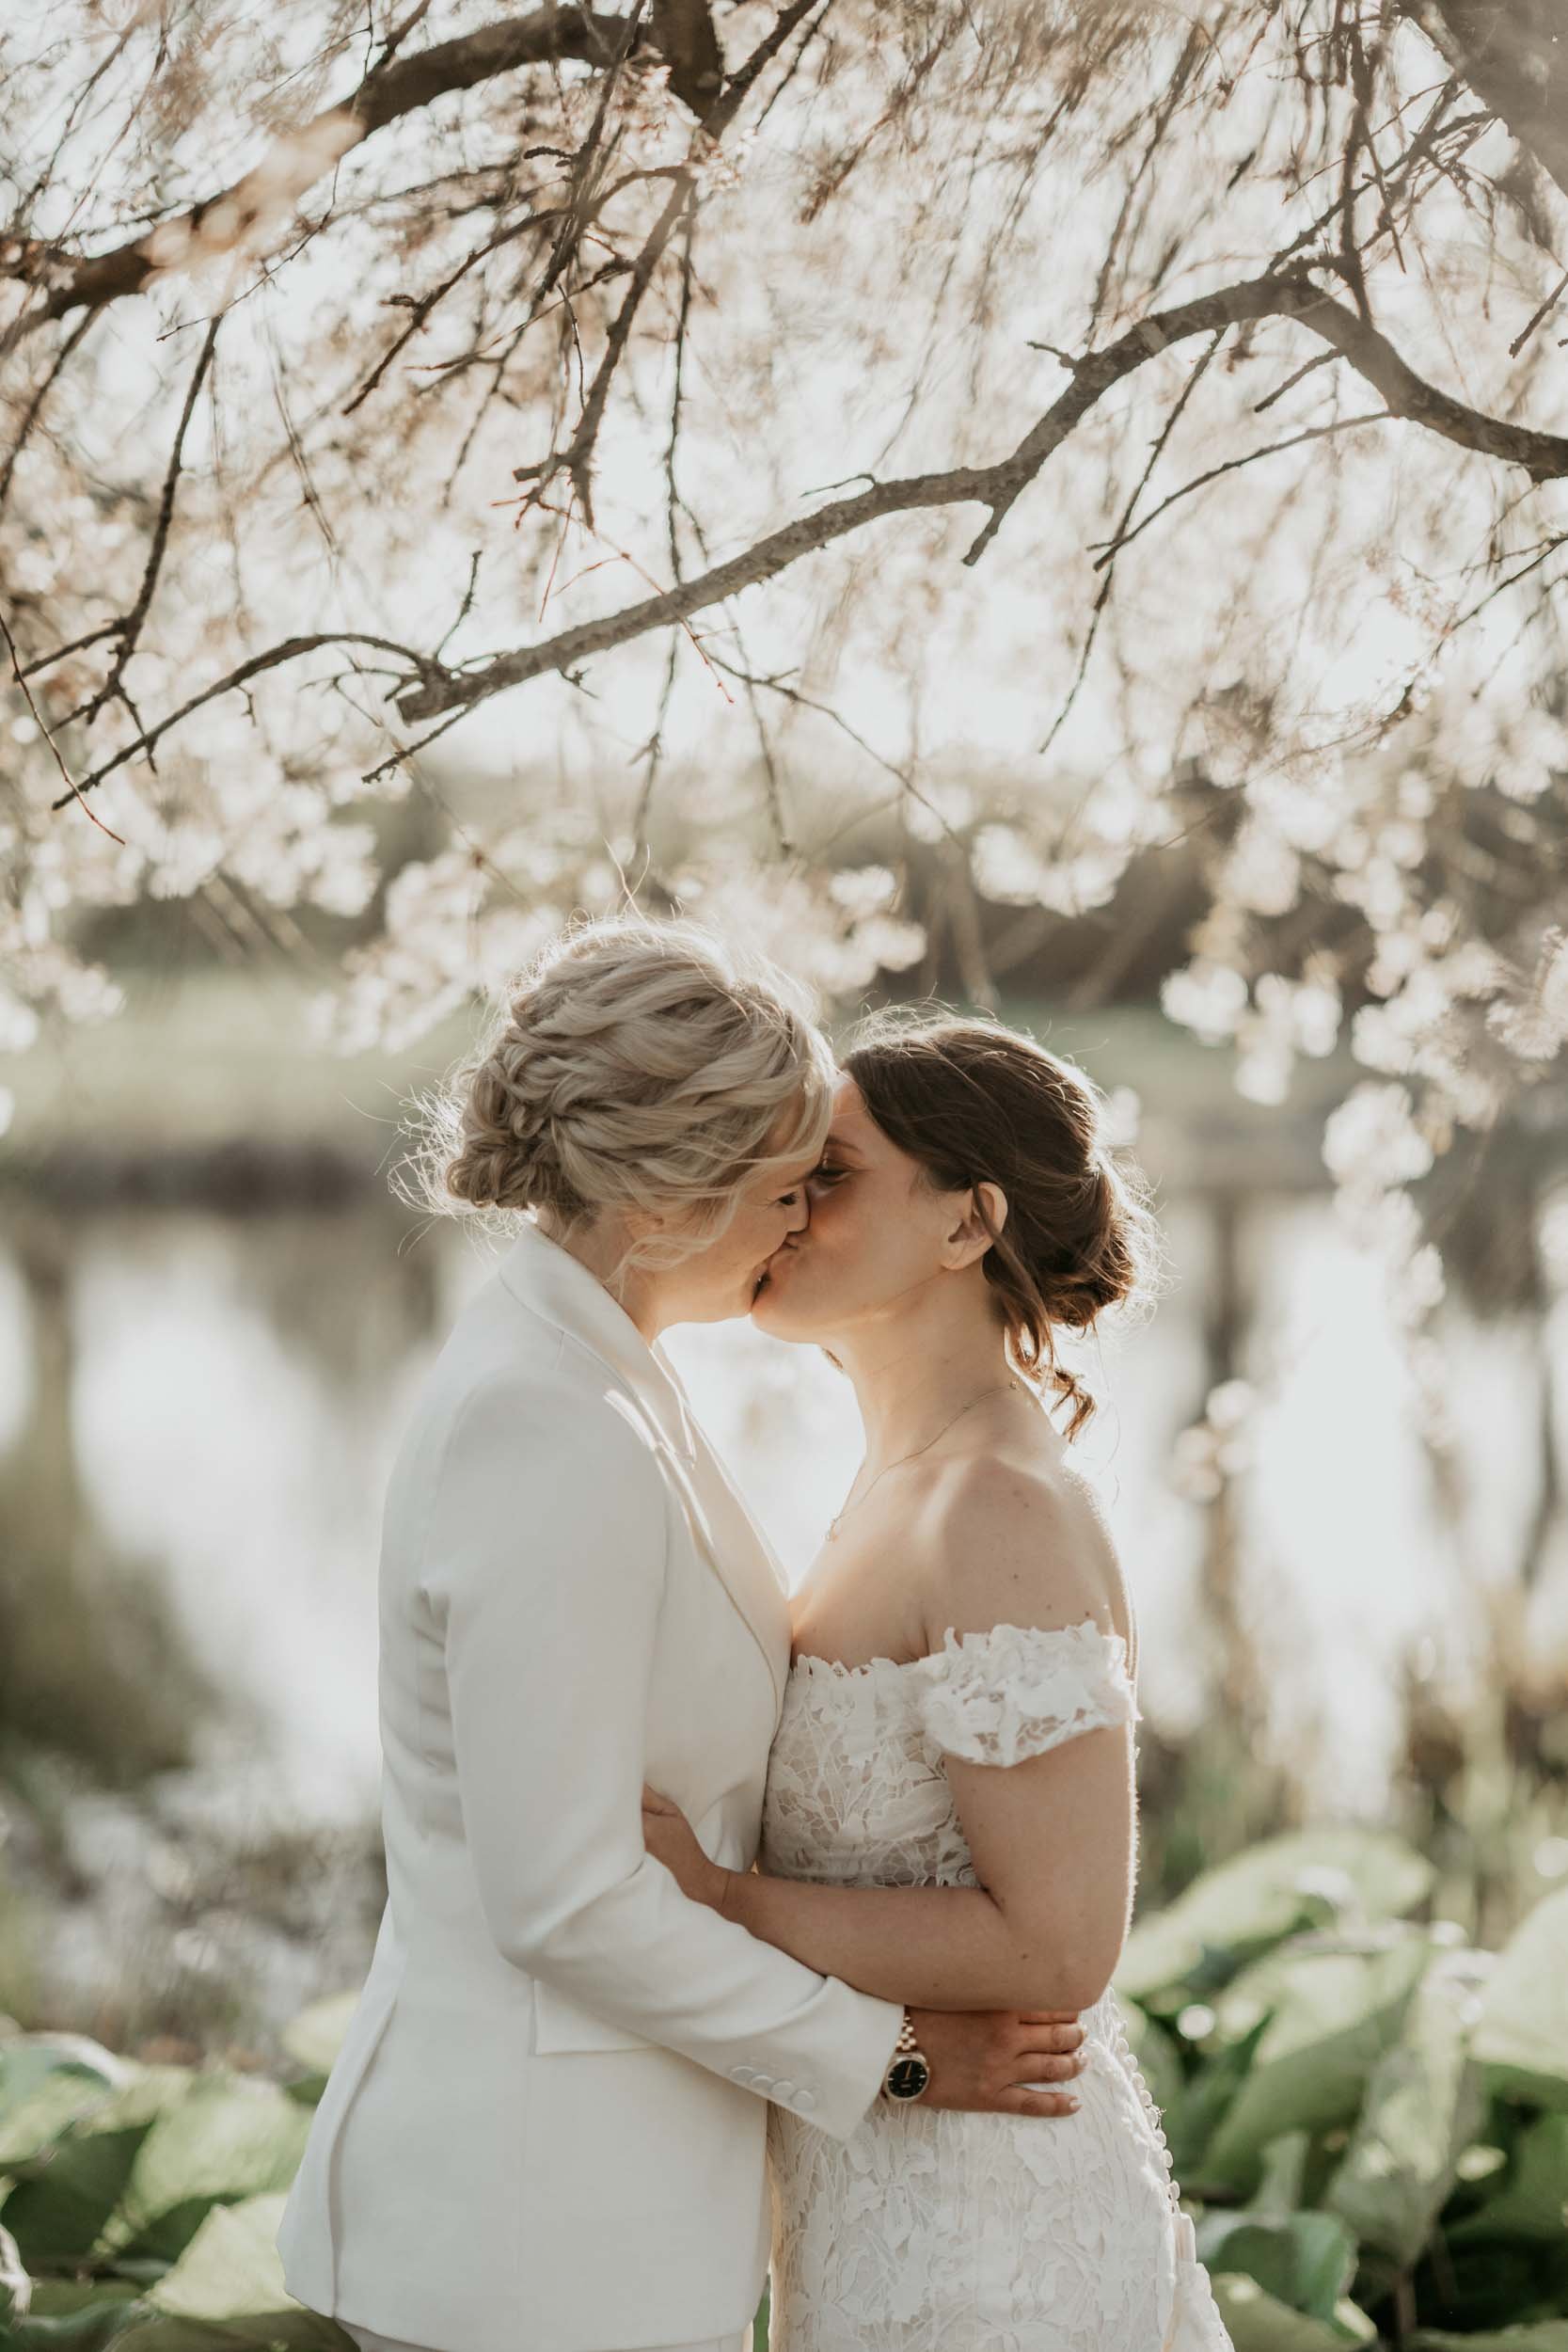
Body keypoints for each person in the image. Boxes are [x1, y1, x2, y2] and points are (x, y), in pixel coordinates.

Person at [275, 922, 1088, 2352]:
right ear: (664, 1205)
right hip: (529, 2246)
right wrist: (892, 2060)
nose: (798, 1225)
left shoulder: (605, 1381)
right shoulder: (549, 1424)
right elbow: (568, 1900)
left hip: (606, 2231)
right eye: (788, 1187)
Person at [641, 1011, 1234, 2352]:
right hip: (884, 2195)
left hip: (990, 2241)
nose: (783, 1204)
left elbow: (1059, 1945)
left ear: (968, 1223)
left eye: (831, 1173)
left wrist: (726, 1902)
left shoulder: (995, 1509)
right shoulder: (894, 1485)